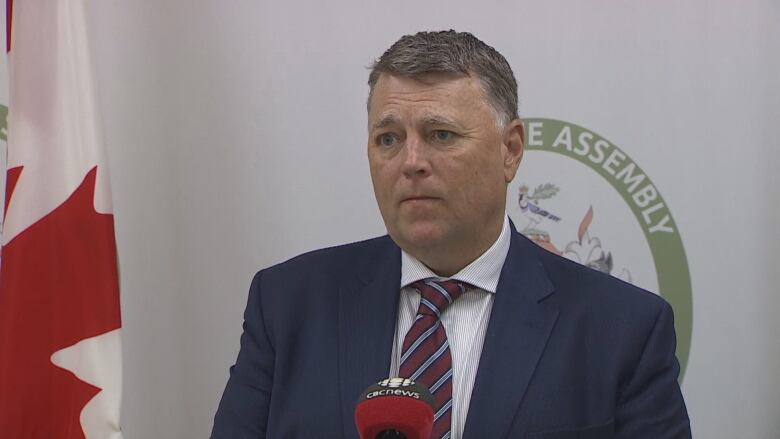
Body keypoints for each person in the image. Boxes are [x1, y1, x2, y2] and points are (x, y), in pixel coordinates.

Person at [211, 30, 691, 439]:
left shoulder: (622, 329)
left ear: (511, 150)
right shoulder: (287, 304)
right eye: (388, 139)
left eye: (440, 134)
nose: (411, 161)